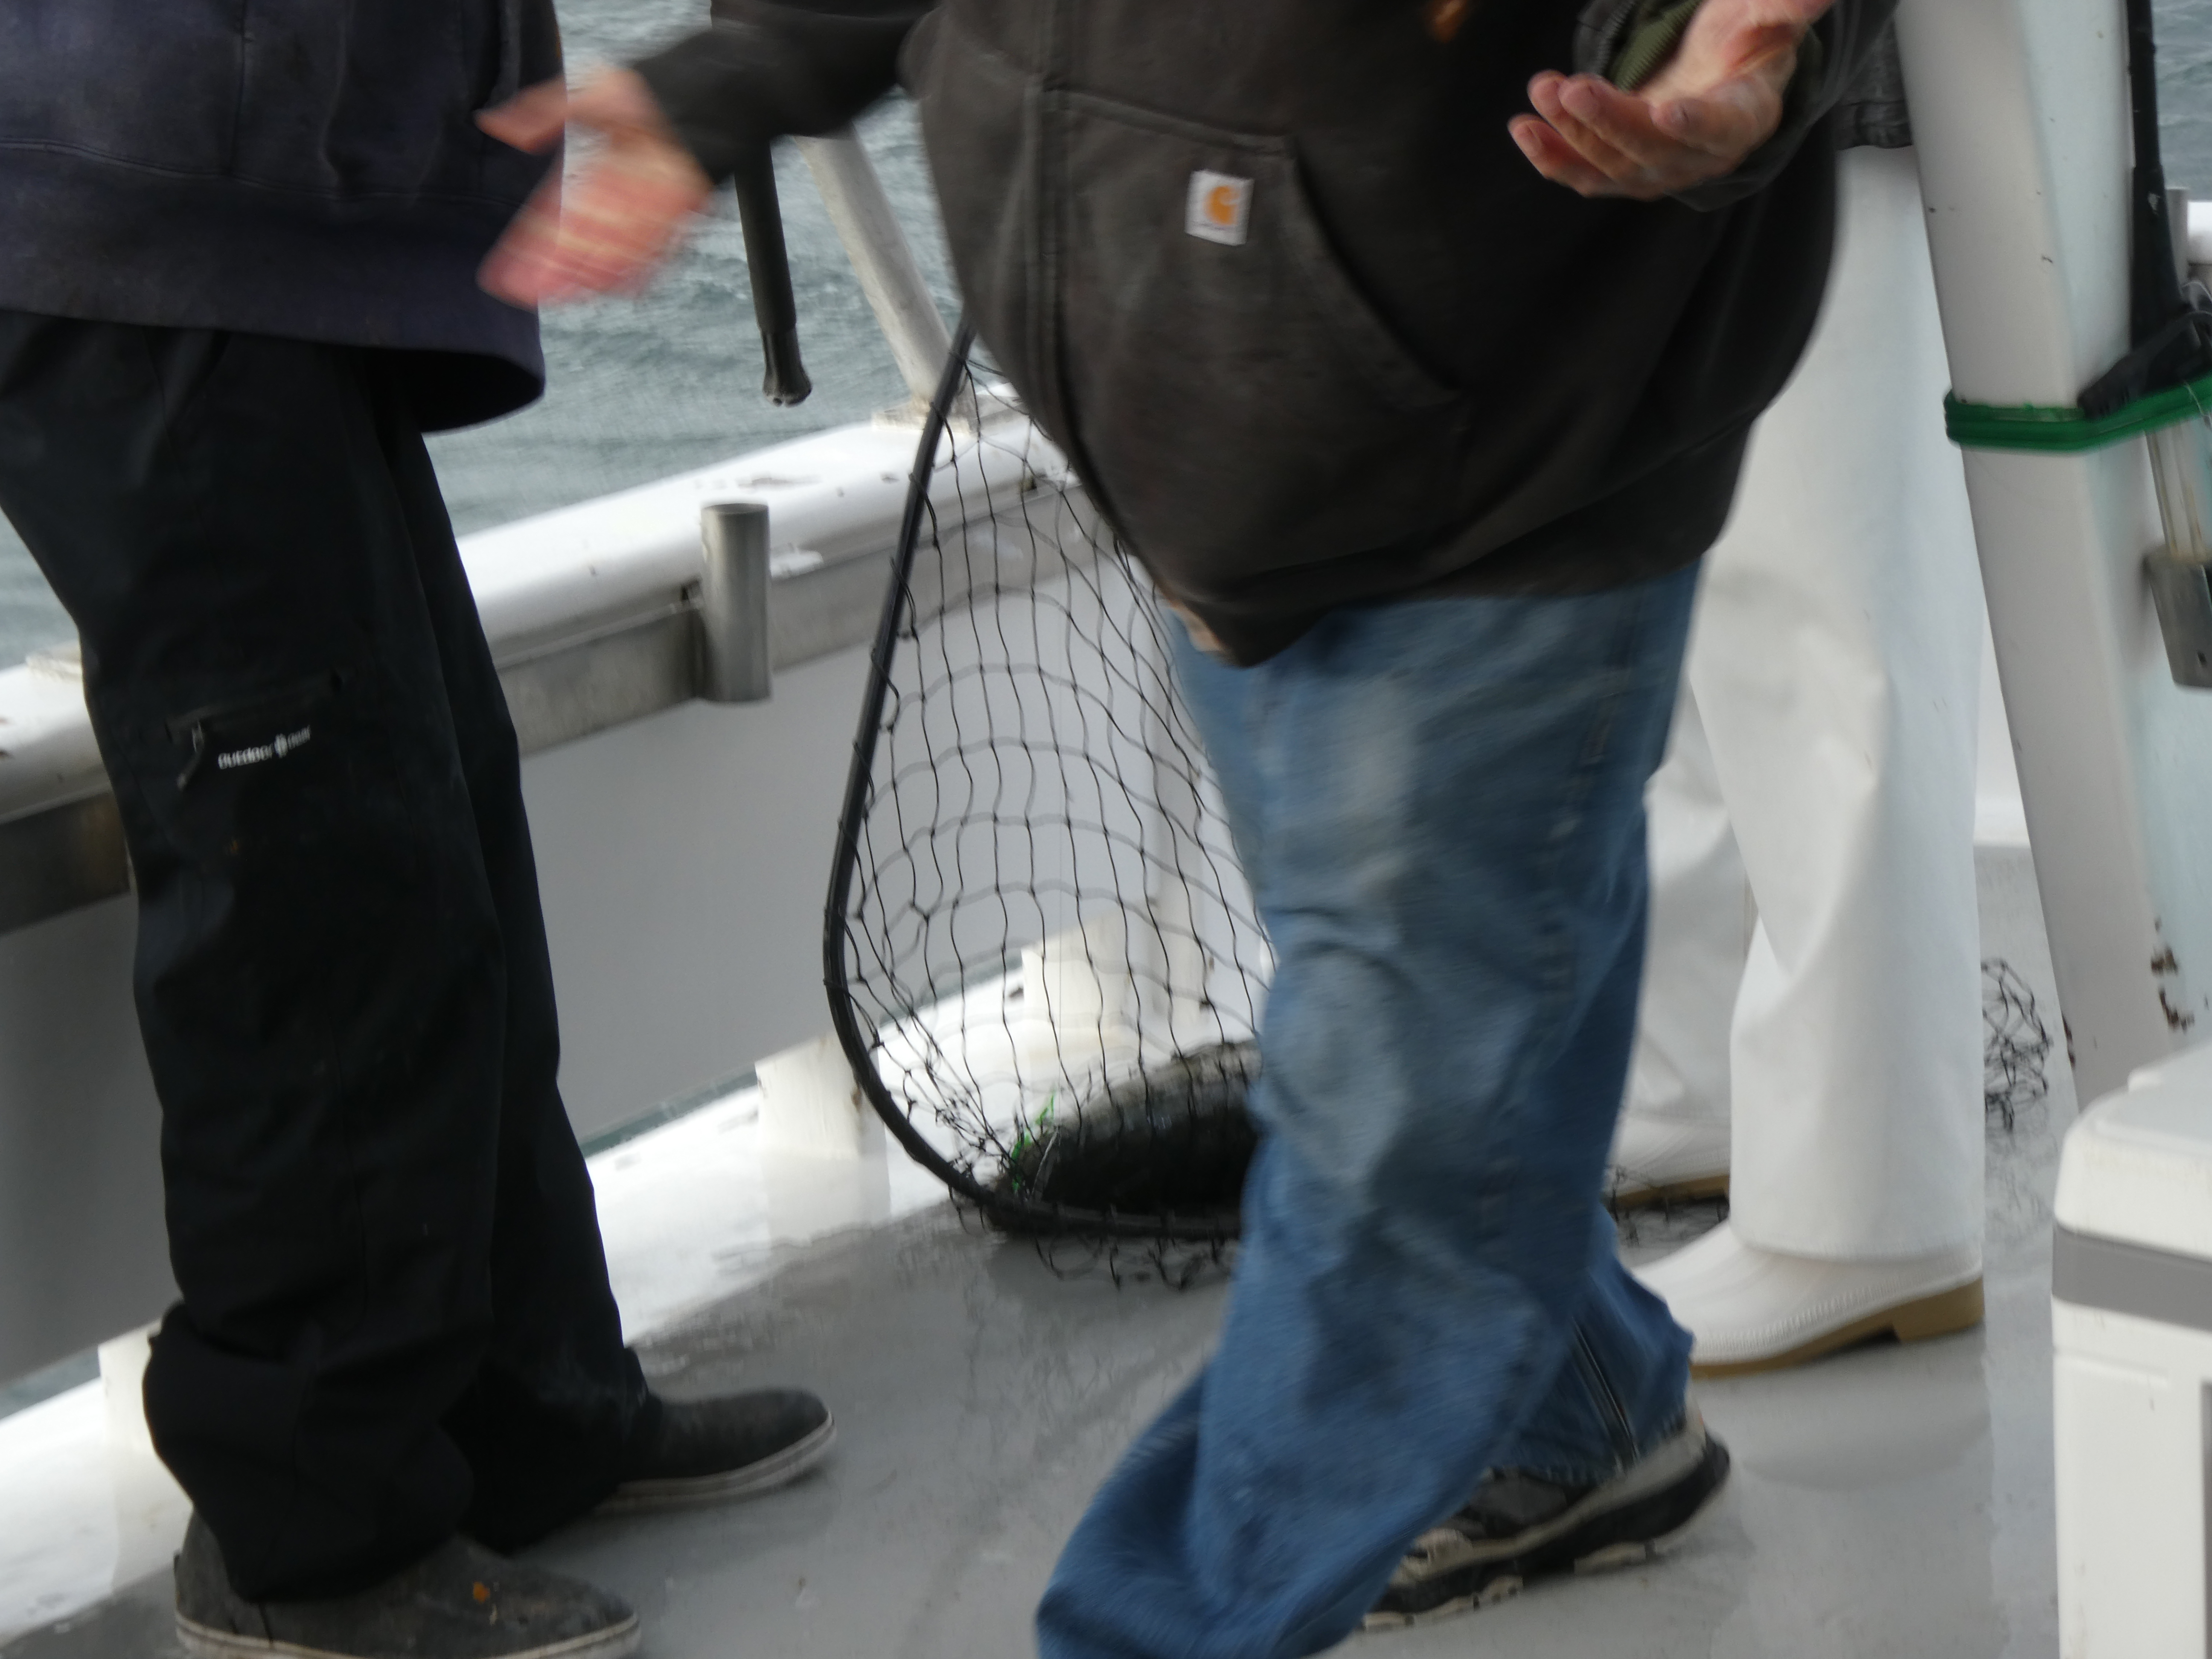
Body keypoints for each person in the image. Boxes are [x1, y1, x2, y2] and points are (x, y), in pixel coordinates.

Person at [479, 0, 1898, 1650]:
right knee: (1425, 1064)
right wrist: (722, 87)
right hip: (1207, 444)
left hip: (1508, 473)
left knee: (1398, 1145)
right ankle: (1580, 1429)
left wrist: (1735, 62)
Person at [0, 7, 831, 1658]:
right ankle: (310, 1534)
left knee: (432, 821)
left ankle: (521, 1409)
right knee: (315, 882)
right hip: (148, 223)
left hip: (276, 223)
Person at [1611, 36, 1989, 1374]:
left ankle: (1868, 1216)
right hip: (1667, 65)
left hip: (1848, 75)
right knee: (1701, 591)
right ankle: (1686, 1095)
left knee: (1827, 621)